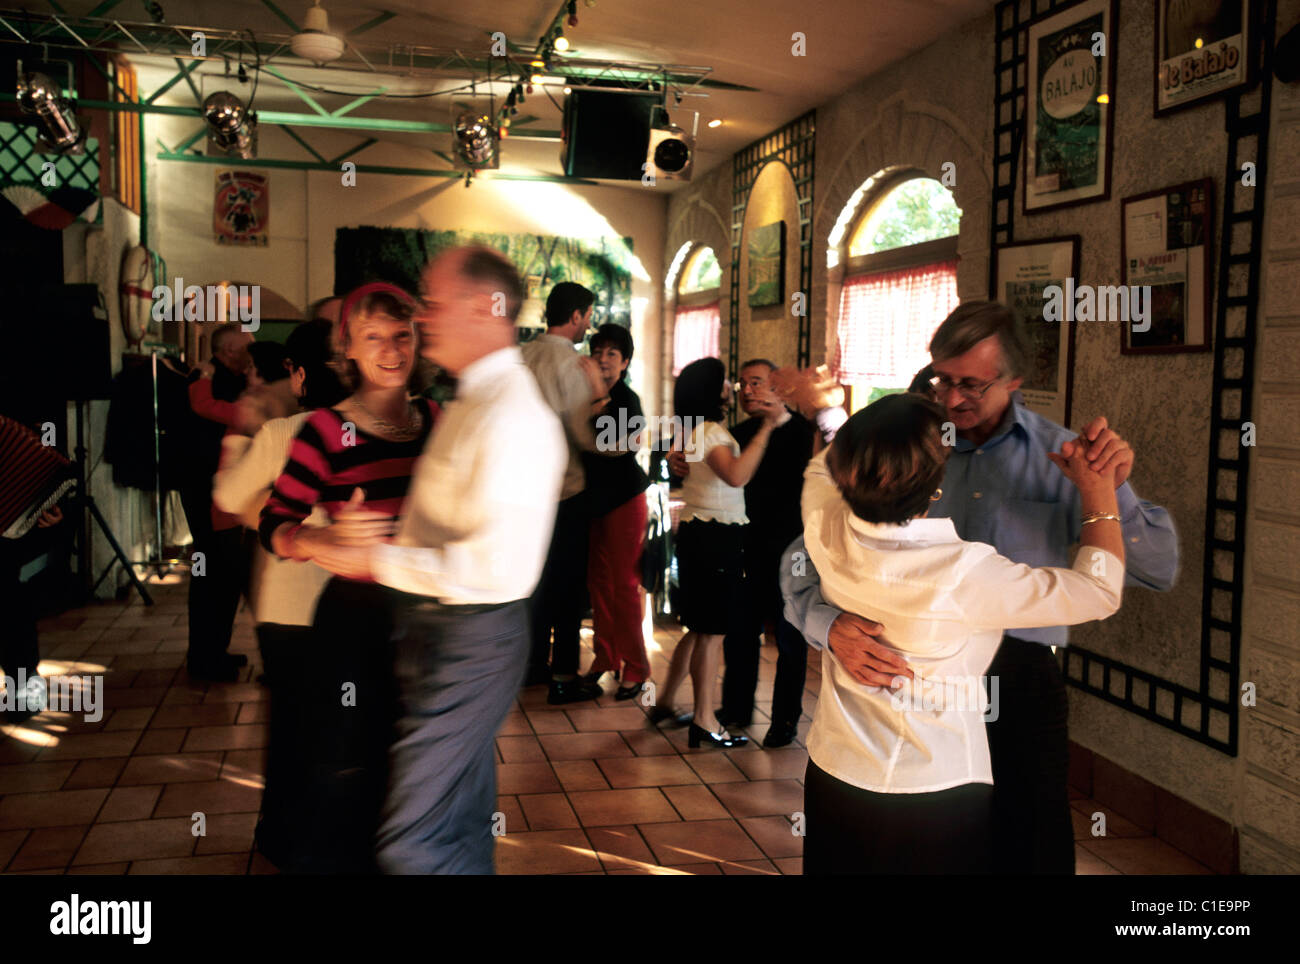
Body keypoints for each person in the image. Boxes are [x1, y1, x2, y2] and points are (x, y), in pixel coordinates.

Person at [780, 301, 1178, 874]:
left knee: (1030, 847)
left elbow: (1157, 568)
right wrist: (827, 624)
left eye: (971, 383)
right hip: (888, 673)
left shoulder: (1067, 458)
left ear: (1014, 380)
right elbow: (799, 560)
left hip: (1019, 680)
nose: (950, 397)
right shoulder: (893, 444)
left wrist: (1107, 493)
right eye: (941, 378)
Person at [301, 245, 566, 874]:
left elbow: (492, 570)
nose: (422, 317)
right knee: (455, 822)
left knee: (414, 841)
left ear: (484, 307)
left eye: (433, 302)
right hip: (436, 628)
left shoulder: (514, 414)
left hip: (473, 636)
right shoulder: (469, 398)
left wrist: (376, 558)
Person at [799, 392, 1125, 874]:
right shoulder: (962, 571)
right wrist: (1098, 491)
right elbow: (1099, 590)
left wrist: (831, 410)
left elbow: (819, 469)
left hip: (835, 772)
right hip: (932, 793)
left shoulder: (824, 524)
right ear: (936, 487)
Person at [260, 282, 438, 874]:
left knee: (415, 758)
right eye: (372, 338)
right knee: (350, 757)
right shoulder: (323, 430)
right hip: (356, 621)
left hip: (427, 612)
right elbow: (274, 521)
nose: (390, 350)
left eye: (401, 335)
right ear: (349, 351)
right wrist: (315, 540)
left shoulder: (438, 419)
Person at [212, 318, 348, 868]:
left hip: (290, 606)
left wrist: (239, 432)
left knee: (293, 726)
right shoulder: (384, 429)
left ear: (297, 374)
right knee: (345, 722)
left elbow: (227, 495)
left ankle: (287, 836)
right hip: (362, 602)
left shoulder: (283, 434)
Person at [654, 357, 782, 748]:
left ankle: (663, 703)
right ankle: (706, 720)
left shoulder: (695, 430)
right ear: (714, 391)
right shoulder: (710, 430)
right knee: (711, 634)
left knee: (698, 629)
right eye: (729, 381)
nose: (735, 387)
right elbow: (738, 474)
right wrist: (768, 428)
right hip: (715, 537)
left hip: (700, 534)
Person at [716, 359, 817, 748]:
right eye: (742, 385)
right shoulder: (738, 433)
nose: (749, 391)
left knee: (790, 637)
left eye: (757, 383)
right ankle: (737, 709)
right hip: (748, 544)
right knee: (741, 631)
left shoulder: (806, 434)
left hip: (793, 549)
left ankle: (785, 720)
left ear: (780, 388)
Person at [521, 281, 606, 704]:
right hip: (564, 491)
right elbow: (585, 436)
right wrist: (601, 401)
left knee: (533, 583)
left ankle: (531, 665)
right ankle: (564, 676)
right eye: (588, 315)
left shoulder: (521, 356)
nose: (588, 323)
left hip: (521, 491)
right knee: (568, 588)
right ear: (576, 316)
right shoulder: (572, 365)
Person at [583, 323, 652, 699]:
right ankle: (604, 658)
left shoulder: (628, 400)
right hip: (591, 500)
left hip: (625, 499)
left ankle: (638, 668)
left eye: (612, 353)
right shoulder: (579, 395)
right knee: (597, 584)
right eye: (599, 352)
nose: (603, 359)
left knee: (624, 585)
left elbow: (611, 442)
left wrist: (596, 393)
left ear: (624, 362)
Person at [184, 322, 253, 681]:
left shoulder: (222, 379)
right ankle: (204, 658)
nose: (251, 355)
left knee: (222, 574)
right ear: (227, 351)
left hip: (219, 491)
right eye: (246, 348)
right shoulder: (207, 379)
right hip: (204, 491)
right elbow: (204, 411)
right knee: (210, 572)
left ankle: (214, 652)